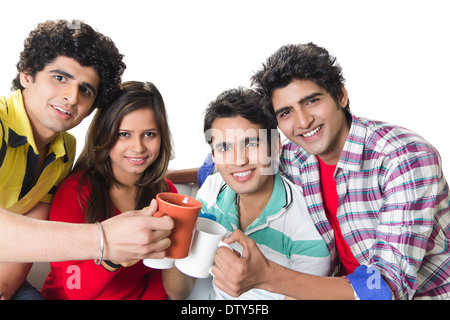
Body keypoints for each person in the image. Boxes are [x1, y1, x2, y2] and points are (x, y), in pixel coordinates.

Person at [210, 42, 450, 300]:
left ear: (341, 95)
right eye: (287, 112)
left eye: (312, 101)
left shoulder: (404, 159)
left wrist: (267, 276)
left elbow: (386, 289)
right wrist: (168, 181)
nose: (303, 122)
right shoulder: (296, 156)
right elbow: (235, 161)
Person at [0, 20, 173, 299]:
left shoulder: (63, 149)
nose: (70, 97)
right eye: (60, 78)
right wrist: (106, 241)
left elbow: (32, 227)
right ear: (27, 75)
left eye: (85, 90)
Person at [163, 87, 331, 300]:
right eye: (224, 148)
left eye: (251, 143)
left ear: (275, 146)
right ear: (213, 156)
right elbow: (180, 292)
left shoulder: (307, 227)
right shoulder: (212, 191)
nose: (239, 160)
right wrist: (172, 244)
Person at [41, 81, 176, 300]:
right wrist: (112, 256)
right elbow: (73, 289)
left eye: (149, 134)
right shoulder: (75, 193)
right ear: (105, 134)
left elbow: (158, 273)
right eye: (124, 134)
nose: (138, 147)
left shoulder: (166, 195)